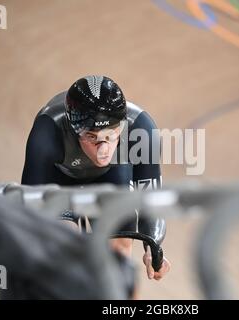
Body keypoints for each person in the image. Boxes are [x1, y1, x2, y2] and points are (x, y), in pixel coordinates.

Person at [21, 75, 171, 283]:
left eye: (111, 134)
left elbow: (151, 203)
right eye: (92, 137)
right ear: (73, 131)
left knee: (120, 247)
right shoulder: (48, 132)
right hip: (60, 178)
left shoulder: (141, 128)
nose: (104, 149)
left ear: (122, 125)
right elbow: (29, 208)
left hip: (111, 175)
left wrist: (152, 248)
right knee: (63, 242)